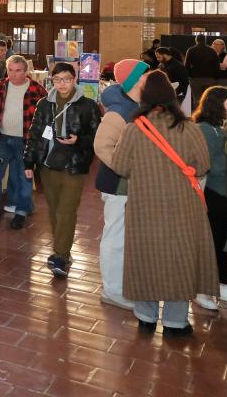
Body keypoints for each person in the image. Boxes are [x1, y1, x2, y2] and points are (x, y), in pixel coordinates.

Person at [111, 70, 217, 337]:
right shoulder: (189, 127)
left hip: (144, 205)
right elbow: (203, 166)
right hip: (183, 206)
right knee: (178, 260)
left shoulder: (134, 129)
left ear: (144, 98)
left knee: (145, 257)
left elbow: (121, 166)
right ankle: (175, 323)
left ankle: (146, 317)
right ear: (173, 97)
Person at [24, 61, 100, 279]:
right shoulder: (44, 104)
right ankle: (63, 252)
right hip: (48, 165)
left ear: (74, 80)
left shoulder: (87, 105)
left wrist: (79, 140)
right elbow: (35, 134)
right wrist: (28, 162)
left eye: (66, 79)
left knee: (66, 210)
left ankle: (60, 254)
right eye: (57, 80)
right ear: (52, 81)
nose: (62, 84)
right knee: (55, 209)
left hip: (74, 165)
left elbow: (98, 138)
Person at [92, 58, 151, 310]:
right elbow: (102, 146)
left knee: (125, 235)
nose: (151, 77)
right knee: (115, 235)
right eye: (146, 74)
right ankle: (112, 290)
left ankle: (123, 284)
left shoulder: (137, 106)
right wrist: (127, 168)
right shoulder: (119, 111)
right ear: (135, 79)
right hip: (118, 184)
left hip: (131, 183)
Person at [0, 54, 47, 229]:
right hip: (2, 138)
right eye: (10, 70)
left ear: (26, 71)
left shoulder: (37, 90)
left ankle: (21, 212)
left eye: (18, 71)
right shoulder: (2, 86)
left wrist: (40, 141)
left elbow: (46, 118)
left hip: (26, 141)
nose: (13, 74)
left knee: (22, 177)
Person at [191, 86, 227, 307]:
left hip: (226, 191)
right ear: (218, 104)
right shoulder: (206, 129)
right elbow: (210, 164)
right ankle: (202, 288)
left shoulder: (223, 126)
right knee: (214, 240)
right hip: (215, 192)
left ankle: (223, 282)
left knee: (225, 240)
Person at [185, 35, 219, 103]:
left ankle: (198, 113)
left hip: (195, 78)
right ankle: (208, 113)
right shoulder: (212, 50)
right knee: (208, 99)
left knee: (197, 99)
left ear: (196, 40)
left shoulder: (191, 50)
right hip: (209, 78)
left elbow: (186, 66)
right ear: (205, 40)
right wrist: (214, 76)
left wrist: (189, 75)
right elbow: (217, 66)